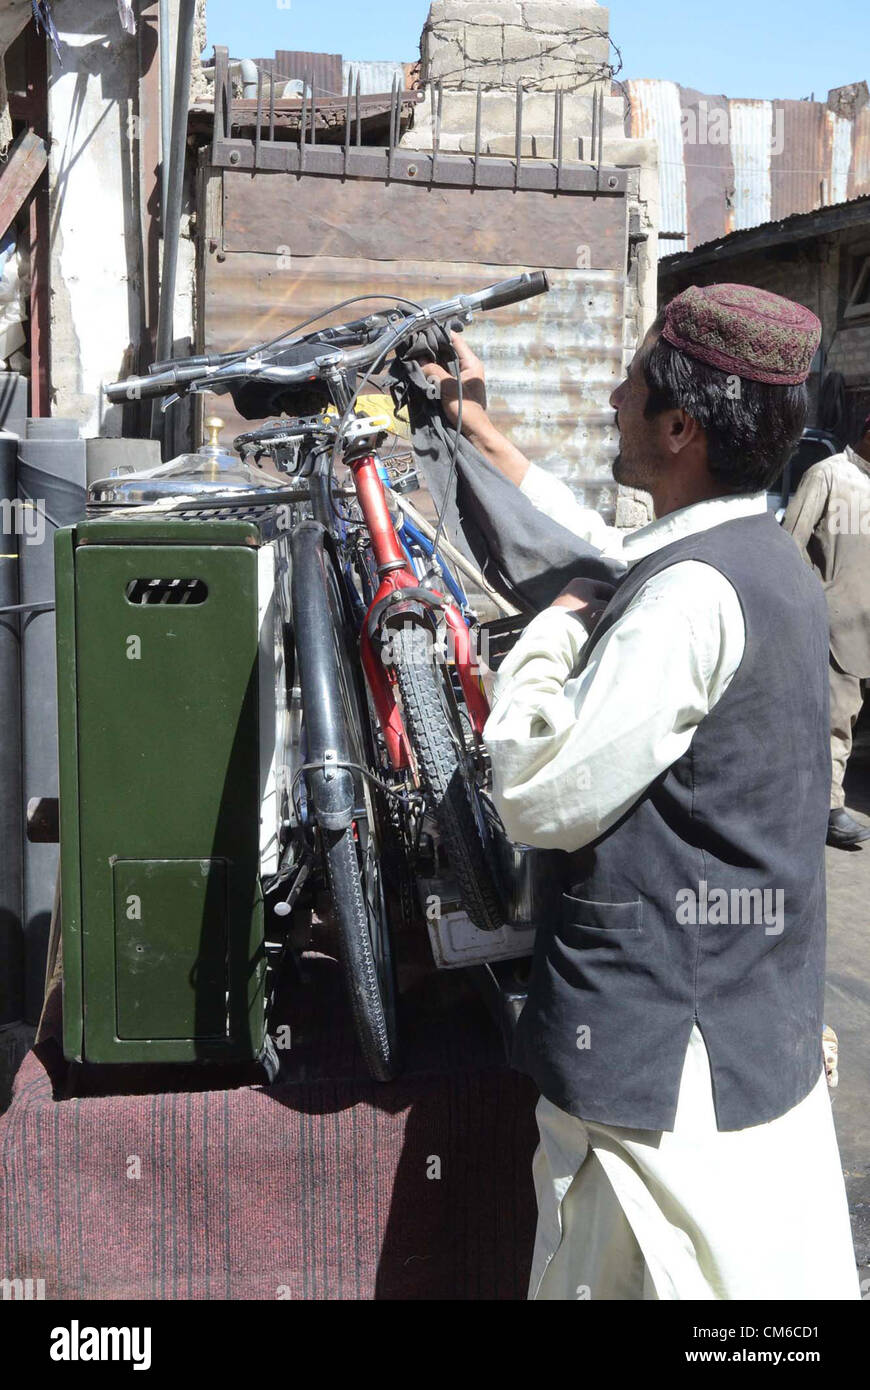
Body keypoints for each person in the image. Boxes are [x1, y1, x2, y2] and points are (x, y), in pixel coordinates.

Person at [421, 283, 859, 1301]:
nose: (611, 399)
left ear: (679, 425)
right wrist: (478, 424)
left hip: (662, 1071)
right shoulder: (757, 555)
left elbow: (533, 789)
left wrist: (554, 635)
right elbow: (600, 536)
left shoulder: (684, 600)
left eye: (630, 382)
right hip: (746, 1031)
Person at [783, 416, 870, 848]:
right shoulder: (830, 474)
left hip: (866, 629)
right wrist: (813, 602)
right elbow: (789, 544)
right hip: (836, 625)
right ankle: (829, 810)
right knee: (836, 721)